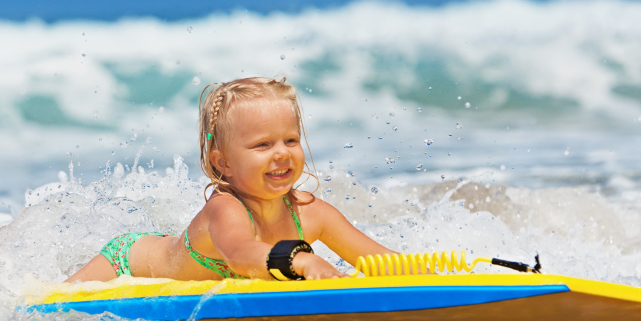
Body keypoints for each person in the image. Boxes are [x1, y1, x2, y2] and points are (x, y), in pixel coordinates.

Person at [66, 77, 395, 282]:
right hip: (126, 265)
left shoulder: (312, 213)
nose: (281, 153)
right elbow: (239, 255)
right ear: (223, 162)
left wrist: (427, 275)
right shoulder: (225, 210)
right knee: (53, 312)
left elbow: (377, 261)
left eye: (290, 140)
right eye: (263, 145)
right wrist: (299, 259)